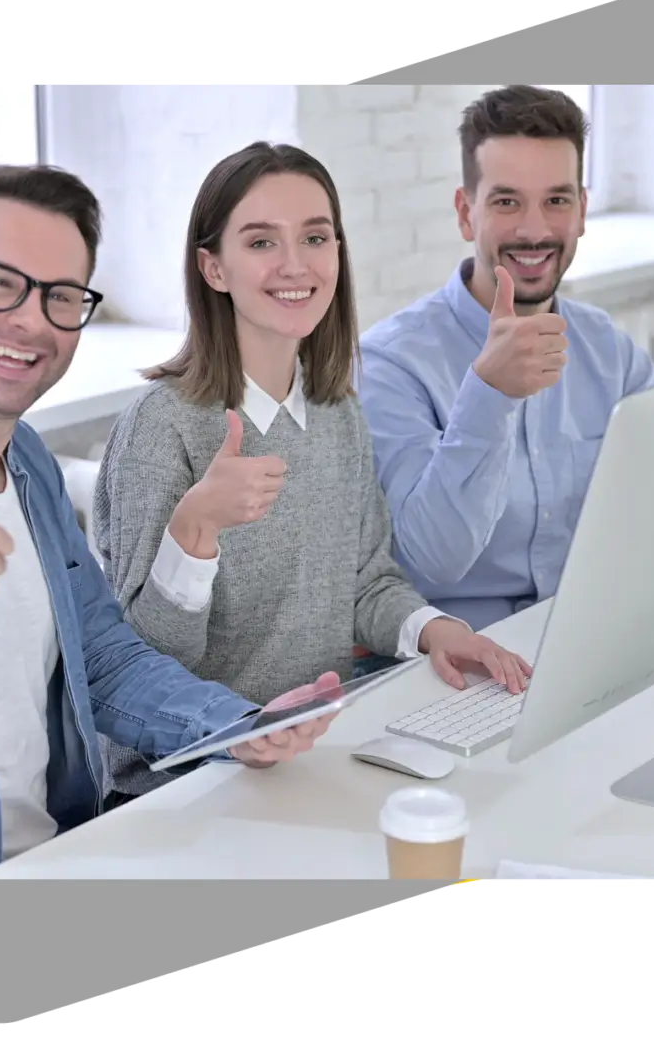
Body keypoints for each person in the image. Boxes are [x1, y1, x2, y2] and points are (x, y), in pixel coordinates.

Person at [0, 164, 341, 887]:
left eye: (60, 296)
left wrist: (237, 726)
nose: (30, 321)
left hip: (62, 861)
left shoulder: (26, 461)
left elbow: (99, 655)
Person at [91, 141, 531, 801]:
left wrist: (437, 631)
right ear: (213, 268)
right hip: (188, 787)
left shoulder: (336, 411)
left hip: (312, 759)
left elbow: (365, 582)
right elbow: (137, 674)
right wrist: (194, 530)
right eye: (261, 242)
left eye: (315, 238)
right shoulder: (162, 426)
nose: (295, 264)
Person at [357, 86, 654, 633]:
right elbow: (431, 561)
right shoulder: (390, 365)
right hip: (466, 651)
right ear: (465, 213)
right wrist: (488, 396)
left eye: (556, 201)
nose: (534, 230)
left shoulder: (608, 350)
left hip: (591, 629)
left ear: (582, 210)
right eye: (506, 202)